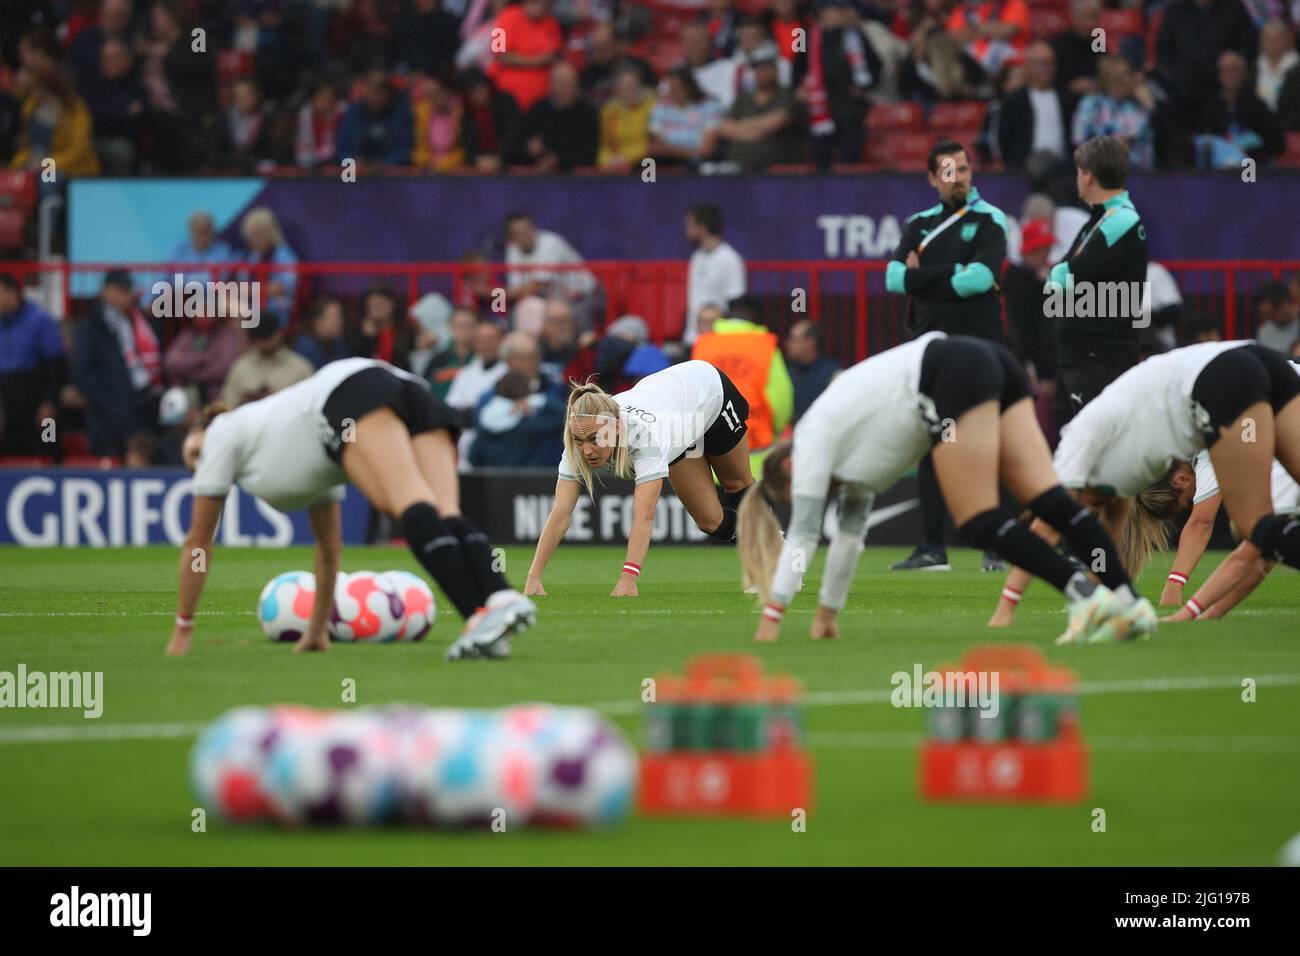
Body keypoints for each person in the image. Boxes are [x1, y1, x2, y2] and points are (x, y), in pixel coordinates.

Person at [736, 332, 1153, 644]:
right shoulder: (846, 453)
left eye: (808, 489)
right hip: (990, 360)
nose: (821, 493)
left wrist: (772, 616)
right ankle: (1131, 604)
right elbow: (848, 539)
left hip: (951, 374)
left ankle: (1084, 594)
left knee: (977, 521)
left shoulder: (810, 440)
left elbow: (806, 534)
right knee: (1049, 500)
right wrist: (826, 615)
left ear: (791, 466)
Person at [169, 358, 536, 661]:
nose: (199, 465)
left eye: (195, 453)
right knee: (444, 511)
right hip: (402, 383)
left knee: (410, 506)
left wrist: (183, 629)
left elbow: (198, 542)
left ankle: (476, 617)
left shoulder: (221, 430)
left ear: (201, 429)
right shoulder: (290, 454)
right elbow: (328, 550)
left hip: (351, 392)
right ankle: (500, 596)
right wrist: (316, 629)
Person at [988, 341, 1300, 634]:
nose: (1085, 512)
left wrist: (1006, 607)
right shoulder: (1128, 478)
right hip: (1264, 361)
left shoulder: (1078, 441)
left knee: (1254, 528)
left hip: (1225, 376)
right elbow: (1104, 547)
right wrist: (1102, 603)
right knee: (1263, 531)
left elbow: (1045, 528)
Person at [525, 361, 754, 597]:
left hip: (707, 391)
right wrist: (533, 577)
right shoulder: (579, 437)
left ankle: (773, 556)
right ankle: (770, 542)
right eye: (580, 441)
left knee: (736, 484)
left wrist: (628, 578)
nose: (587, 450)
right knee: (711, 522)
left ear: (615, 427)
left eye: (595, 439)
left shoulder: (645, 437)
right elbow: (561, 510)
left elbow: (644, 513)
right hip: (676, 418)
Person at [885, 140, 1009, 572]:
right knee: (933, 444)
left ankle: (997, 545)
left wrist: (924, 276)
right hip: (930, 348)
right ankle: (932, 548)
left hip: (979, 347)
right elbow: (894, 279)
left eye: (965, 169)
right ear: (933, 178)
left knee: (983, 444)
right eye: (949, 171)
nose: (960, 178)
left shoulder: (990, 219)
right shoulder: (918, 224)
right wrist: (942, 276)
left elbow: (980, 279)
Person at [1048, 136, 1147, 431]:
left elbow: (1065, 275)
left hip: (1100, 359)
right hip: (1078, 357)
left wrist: (1058, 278)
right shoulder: (1097, 221)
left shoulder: (1122, 220)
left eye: (1079, 171)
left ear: (1088, 175)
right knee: (1068, 455)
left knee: (1096, 453)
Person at [1159, 435, 1300, 618]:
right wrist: (1211, 614)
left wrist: (1180, 602)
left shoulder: (1216, 450)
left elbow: (1244, 558)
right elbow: (1260, 564)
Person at [73, 270, 163, 458]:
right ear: (106, 292)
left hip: (144, 408)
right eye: (122, 290)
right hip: (109, 417)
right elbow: (84, 374)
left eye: (129, 289)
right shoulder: (90, 327)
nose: (128, 295)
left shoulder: (143, 321)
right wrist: (109, 405)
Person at [691, 296, 793, 453]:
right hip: (755, 444)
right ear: (753, 316)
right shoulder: (765, 346)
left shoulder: (703, 345)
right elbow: (781, 399)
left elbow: (692, 393)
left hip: (711, 443)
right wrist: (776, 430)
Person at [0, 273, 64, 455]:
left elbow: (57, 366)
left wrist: (50, 402)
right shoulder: (2, 323)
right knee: (14, 457)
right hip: (11, 407)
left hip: (41, 404)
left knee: (48, 445)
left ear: (10, 292)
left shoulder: (40, 320)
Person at [684, 203, 746, 345]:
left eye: (690, 226)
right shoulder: (696, 257)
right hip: (692, 339)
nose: (687, 231)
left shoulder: (730, 259)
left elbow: (736, 306)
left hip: (717, 341)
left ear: (702, 228)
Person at [219, 313, 313, 407]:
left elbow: (309, 405)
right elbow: (227, 403)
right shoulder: (240, 366)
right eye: (258, 338)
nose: (263, 342)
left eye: (267, 337)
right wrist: (243, 402)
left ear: (279, 333)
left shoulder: (300, 368)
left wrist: (277, 401)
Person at [335, 69, 414, 170]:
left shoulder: (402, 113)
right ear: (365, 90)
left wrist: (384, 164)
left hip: (391, 174)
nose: (379, 95)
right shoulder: (352, 113)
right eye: (375, 89)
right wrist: (353, 161)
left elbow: (406, 150)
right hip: (357, 171)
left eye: (384, 89)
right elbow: (341, 149)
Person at [162, 312, 245, 404]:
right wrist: (204, 357)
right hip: (186, 401)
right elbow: (169, 364)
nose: (204, 317)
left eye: (208, 313)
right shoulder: (187, 336)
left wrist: (187, 371)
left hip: (216, 398)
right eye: (200, 313)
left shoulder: (226, 336)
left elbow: (223, 368)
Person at [784, 320, 841, 424]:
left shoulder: (831, 373)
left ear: (810, 343)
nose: (788, 344)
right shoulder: (787, 373)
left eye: (793, 339)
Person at [425, 306, 478, 399]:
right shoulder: (438, 361)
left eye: (469, 325)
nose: (465, 330)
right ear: (450, 327)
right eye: (461, 325)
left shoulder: (483, 358)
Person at [292, 297, 351, 369]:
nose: (341, 321)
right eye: (336, 318)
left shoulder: (338, 341)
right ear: (317, 321)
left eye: (341, 316)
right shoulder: (306, 347)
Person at [1254, 281, 1299, 354]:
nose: (1272, 318)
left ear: (1285, 303)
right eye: (1267, 315)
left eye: (1273, 312)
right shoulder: (1264, 331)